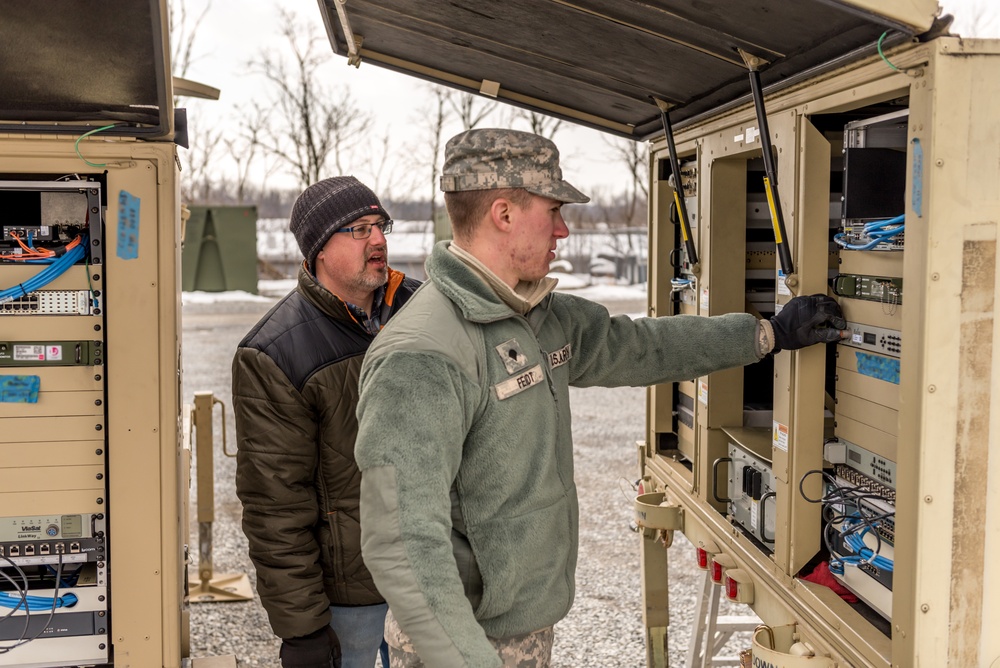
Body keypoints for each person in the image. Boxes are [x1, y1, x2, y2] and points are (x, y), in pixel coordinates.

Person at [353, 129, 846, 668]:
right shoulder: (422, 353)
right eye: (553, 210)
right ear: (504, 213)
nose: (563, 228)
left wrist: (765, 335)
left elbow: (639, 345)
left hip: (519, 629)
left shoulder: (536, 315)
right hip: (465, 643)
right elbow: (401, 542)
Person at [232, 176, 421, 668]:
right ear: (319, 249)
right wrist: (303, 629)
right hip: (352, 601)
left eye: (381, 225)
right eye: (358, 229)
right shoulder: (274, 352)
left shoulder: (423, 312)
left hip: (435, 578)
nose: (378, 240)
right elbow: (275, 504)